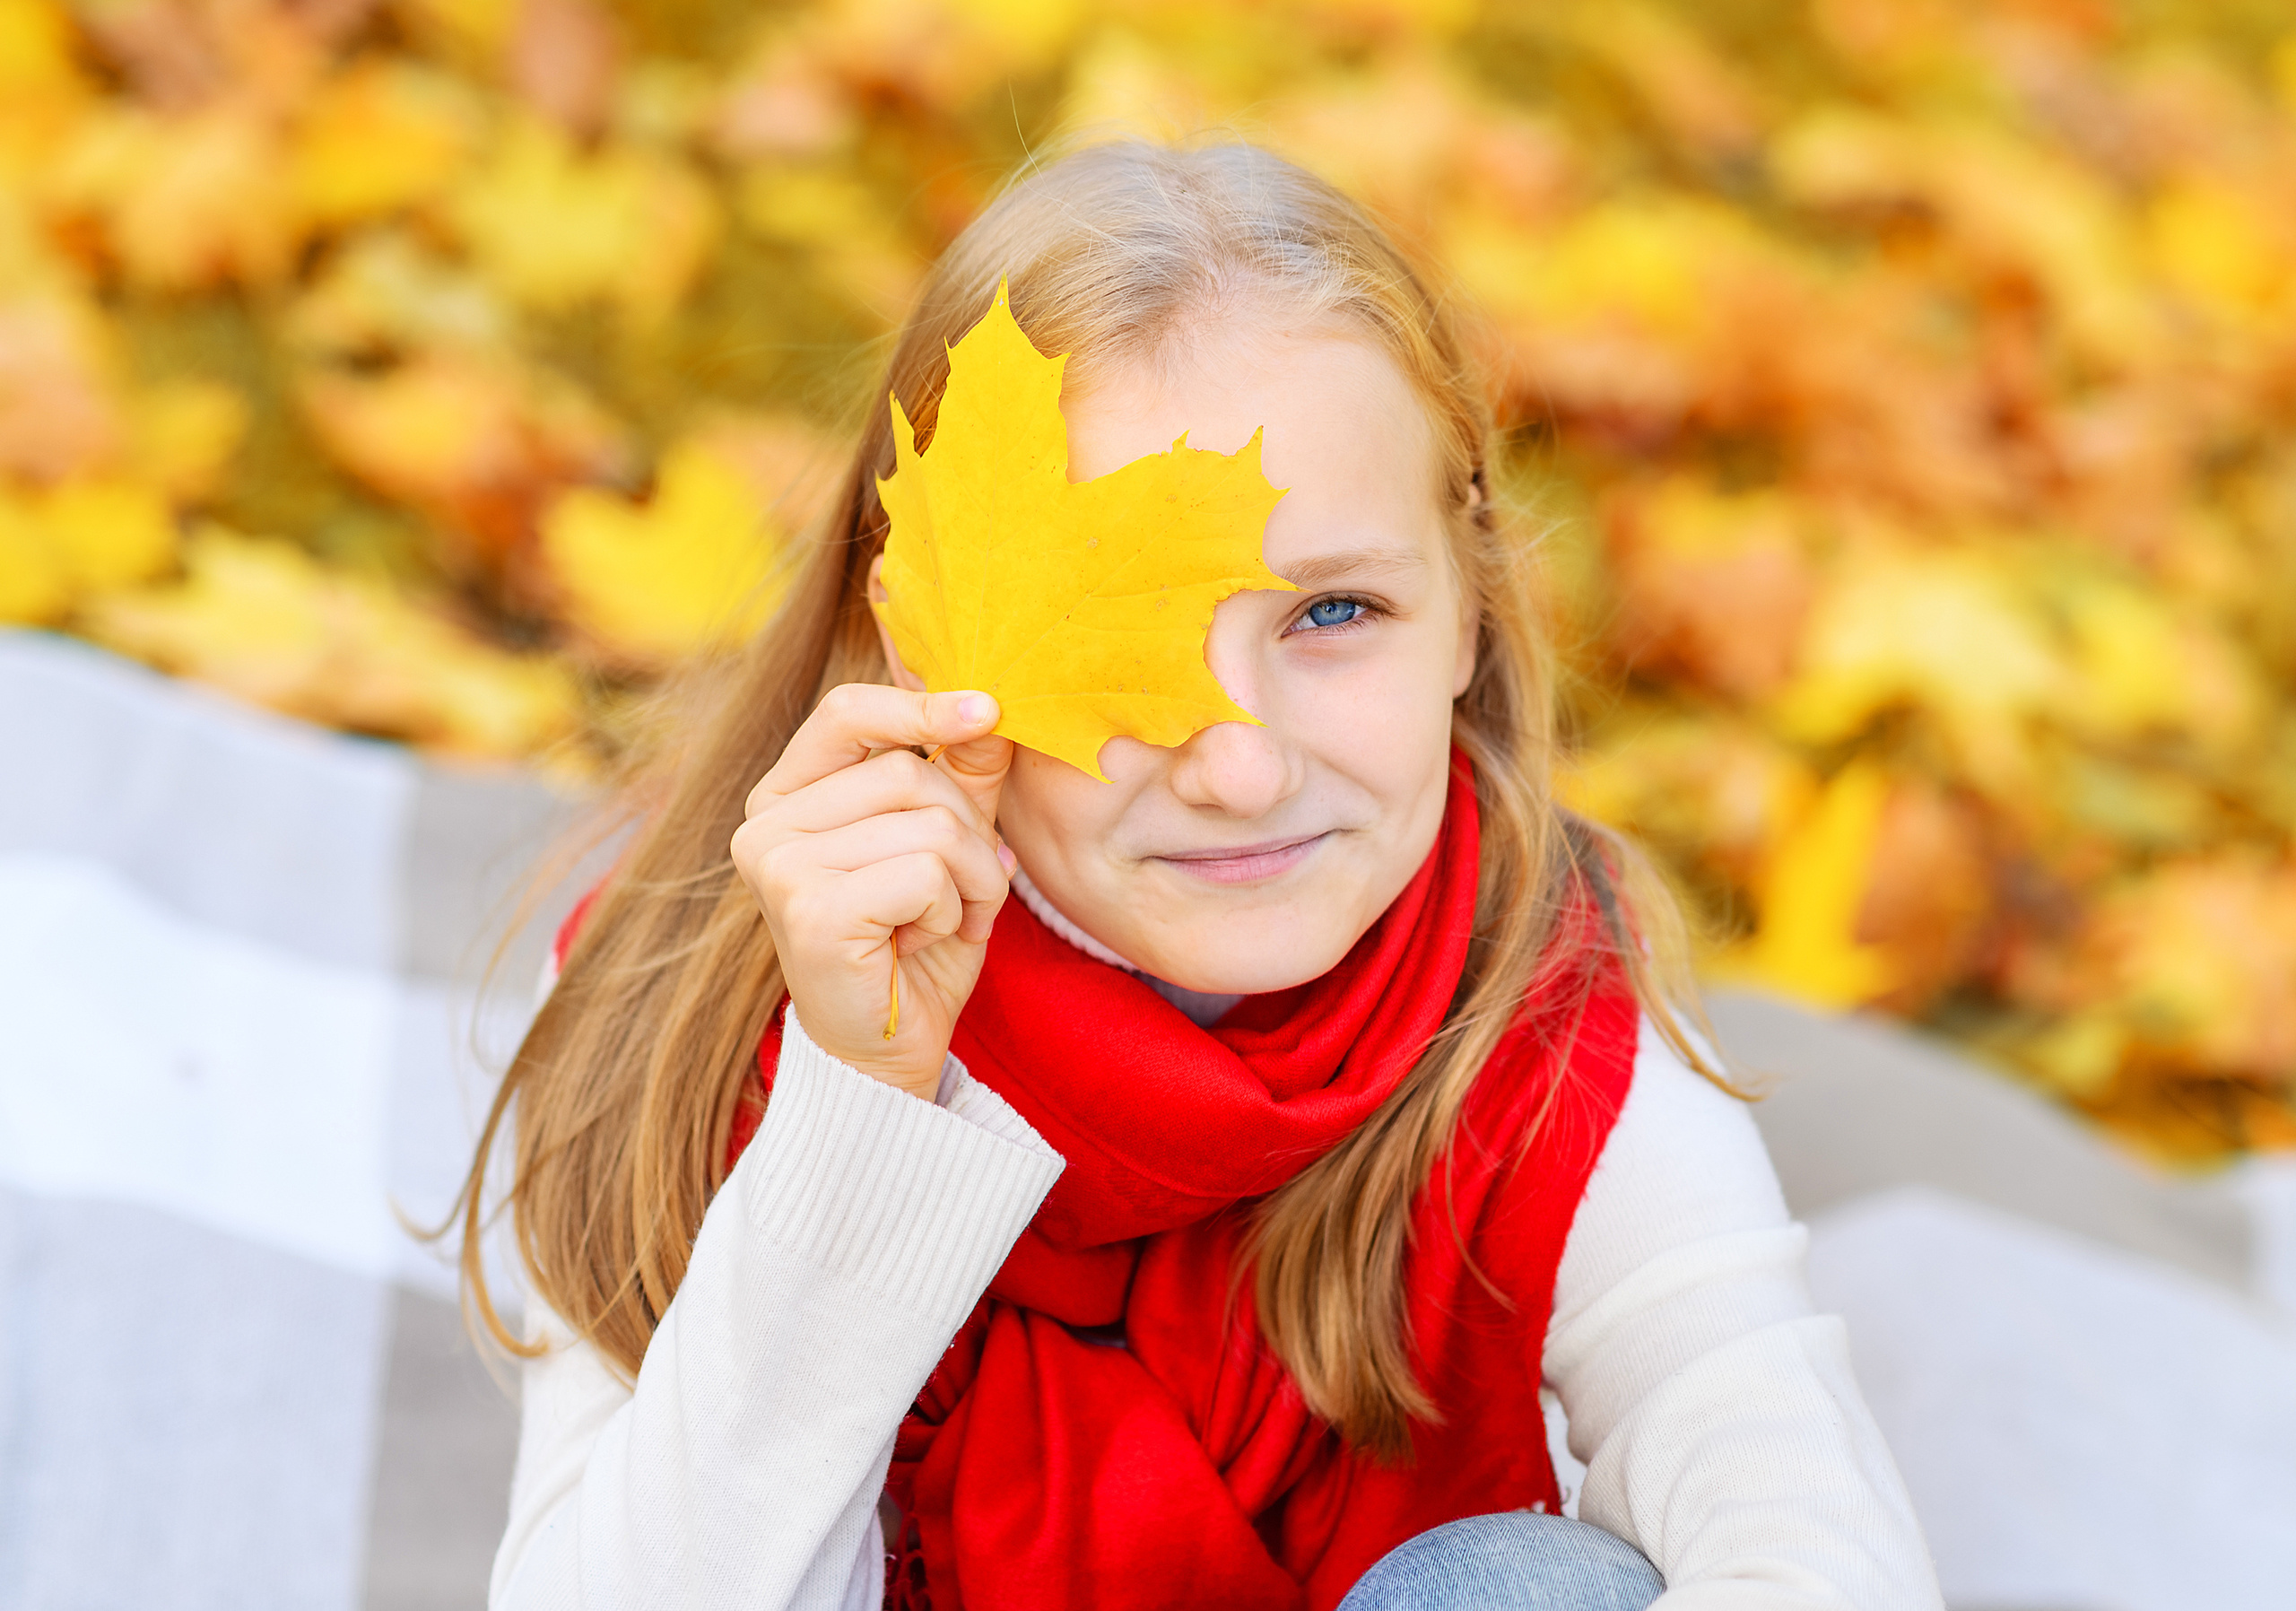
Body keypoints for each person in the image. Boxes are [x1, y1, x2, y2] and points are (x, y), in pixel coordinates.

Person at [451, 138, 1942, 1610]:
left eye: (1334, 612)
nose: (1240, 767)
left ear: (1473, 610)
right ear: (928, 642)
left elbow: (1804, 1529)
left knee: (1517, 1589)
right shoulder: (687, 991)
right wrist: (859, 1101)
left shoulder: (1545, 1020)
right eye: (1123, 651)